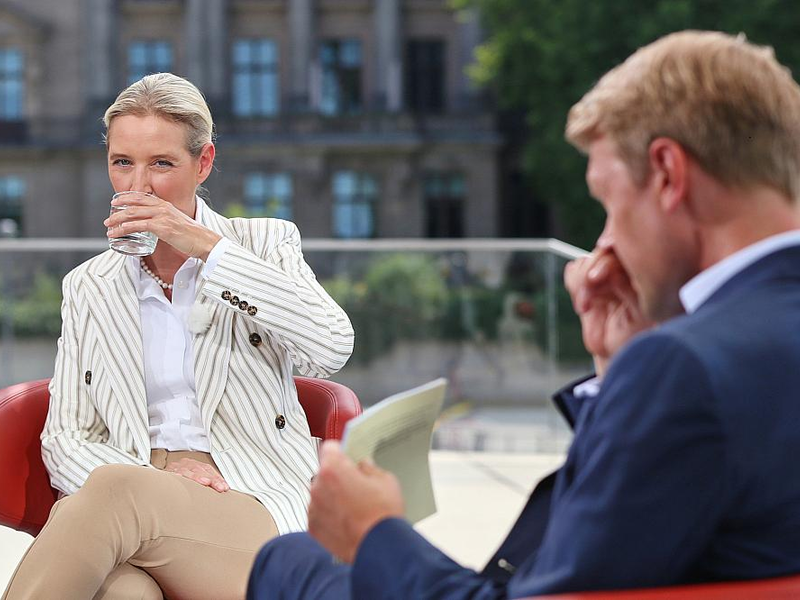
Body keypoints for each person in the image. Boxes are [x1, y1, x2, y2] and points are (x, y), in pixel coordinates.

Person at [247, 30, 800, 598]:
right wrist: (616, 369)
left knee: (288, 562)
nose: (606, 241)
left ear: (667, 174)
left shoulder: (682, 367)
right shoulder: (704, 357)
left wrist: (372, 532)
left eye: (608, 201)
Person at [2, 73, 354, 600]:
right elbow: (65, 438)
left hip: (250, 495)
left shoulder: (264, 243)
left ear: (203, 163)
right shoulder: (88, 286)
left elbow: (331, 345)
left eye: (161, 164)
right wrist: (156, 478)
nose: (137, 187)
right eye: (122, 163)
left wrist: (205, 249)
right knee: (123, 593)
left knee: (118, 495)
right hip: (128, 491)